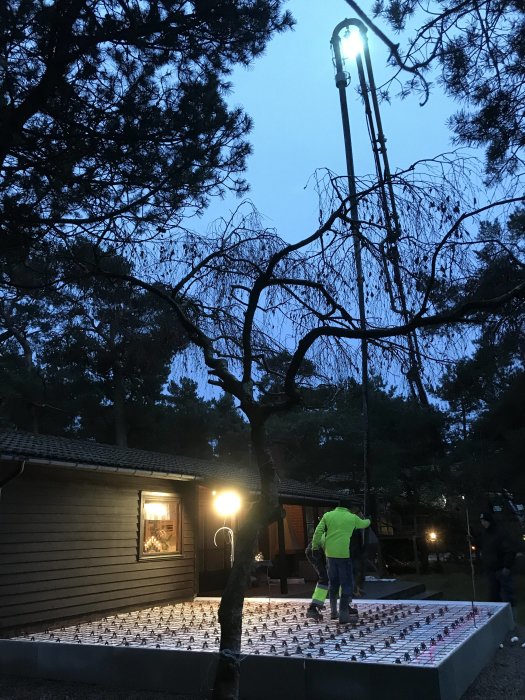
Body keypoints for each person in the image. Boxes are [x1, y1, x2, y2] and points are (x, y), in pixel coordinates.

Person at [312, 498, 371, 623]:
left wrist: (315, 547)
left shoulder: (328, 515)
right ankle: (344, 615)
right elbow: (363, 524)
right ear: (349, 508)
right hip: (343, 555)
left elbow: (318, 531)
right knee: (346, 584)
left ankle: (333, 613)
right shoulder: (351, 517)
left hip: (330, 555)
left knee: (333, 584)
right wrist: (369, 519)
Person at [479, 511, 516, 608]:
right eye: (482, 521)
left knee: (507, 598)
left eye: (485, 521)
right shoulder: (485, 535)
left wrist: (507, 566)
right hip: (491, 572)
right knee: (493, 598)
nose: (483, 523)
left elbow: (510, 550)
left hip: (501, 571)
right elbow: (485, 549)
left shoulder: (500, 533)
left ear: (490, 521)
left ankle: (511, 620)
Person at [305, 534, 328, 620]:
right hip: (315, 552)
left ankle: (345, 605)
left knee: (334, 576)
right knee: (325, 578)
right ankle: (313, 608)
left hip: (320, 550)